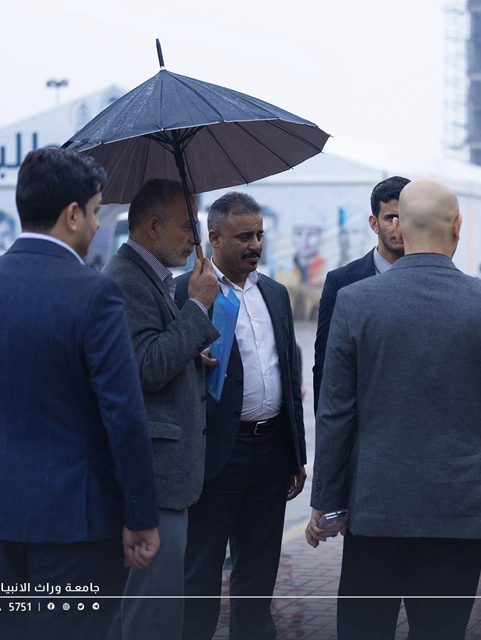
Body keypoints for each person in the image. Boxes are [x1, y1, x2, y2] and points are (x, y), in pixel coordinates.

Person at [0, 148, 160, 640]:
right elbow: (123, 414)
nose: (98, 225)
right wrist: (141, 515)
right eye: (97, 211)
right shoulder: (94, 293)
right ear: (73, 213)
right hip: (76, 525)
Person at [306, 179, 481, 640]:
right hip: (458, 507)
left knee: (364, 630)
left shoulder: (356, 301)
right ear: (457, 226)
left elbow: (335, 412)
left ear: (400, 228)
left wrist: (327, 502)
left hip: (376, 503)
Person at [179, 192, 307, 640]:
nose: (255, 245)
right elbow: (160, 365)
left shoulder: (275, 293)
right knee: (200, 570)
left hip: (270, 452)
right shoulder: (185, 291)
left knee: (259, 569)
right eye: (243, 237)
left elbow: (289, 374)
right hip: (215, 455)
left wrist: (295, 454)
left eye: (259, 235)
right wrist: (189, 356)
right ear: (213, 238)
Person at [103, 179, 220, 640]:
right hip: (155, 474)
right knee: (151, 612)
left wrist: (190, 354)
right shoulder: (127, 279)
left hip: (164, 475)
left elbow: (150, 352)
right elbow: (147, 367)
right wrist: (198, 307)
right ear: (153, 227)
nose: (195, 237)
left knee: (156, 604)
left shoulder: (148, 276)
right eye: (187, 226)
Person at [313, 175, 409, 414]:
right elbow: (326, 364)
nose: (398, 226)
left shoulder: (432, 278)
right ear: (374, 223)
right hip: (362, 420)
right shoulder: (341, 282)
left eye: (406, 218)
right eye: (390, 218)